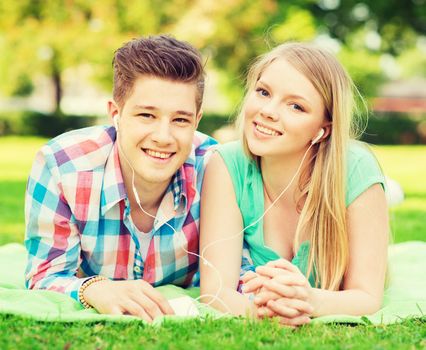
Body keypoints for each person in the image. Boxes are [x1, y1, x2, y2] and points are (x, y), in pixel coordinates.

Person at [24, 35, 217, 322]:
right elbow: (45, 275)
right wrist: (94, 288)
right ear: (116, 113)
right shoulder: (61, 167)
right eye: (146, 115)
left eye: (180, 120)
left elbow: (237, 273)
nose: (163, 137)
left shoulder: (214, 168)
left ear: (197, 121)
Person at [199, 42, 389, 326]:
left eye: (296, 106)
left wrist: (309, 300)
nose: (268, 111)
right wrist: (266, 314)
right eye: (263, 92)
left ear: (323, 129)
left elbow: (367, 295)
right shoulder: (226, 164)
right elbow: (215, 291)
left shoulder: (357, 170)